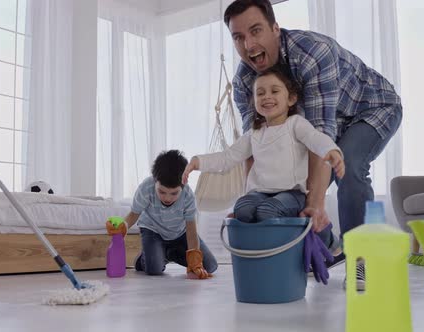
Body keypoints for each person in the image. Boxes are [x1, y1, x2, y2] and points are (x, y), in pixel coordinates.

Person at [223, 0, 402, 289]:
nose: (249, 44)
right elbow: (257, 146)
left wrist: (316, 203)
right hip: (325, 126)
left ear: (275, 29)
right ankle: (330, 245)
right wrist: (253, 199)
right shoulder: (245, 82)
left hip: (371, 108)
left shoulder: (313, 53)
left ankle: (362, 262)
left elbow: (322, 133)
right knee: (289, 192)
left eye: (256, 31)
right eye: (239, 37)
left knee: (351, 166)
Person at [182, 67, 344, 255]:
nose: (267, 96)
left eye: (274, 91)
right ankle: (261, 257)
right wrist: (198, 162)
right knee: (242, 209)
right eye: (260, 93)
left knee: (268, 212)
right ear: (254, 102)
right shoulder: (254, 134)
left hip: (292, 194)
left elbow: (315, 138)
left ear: (291, 99)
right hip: (261, 193)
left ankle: (326, 241)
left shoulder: (295, 124)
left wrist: (331, 150)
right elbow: (228, 157)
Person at [106, 150, 217, 279]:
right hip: (153, 231)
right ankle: (145, 259)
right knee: (154, 269)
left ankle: (168, 254)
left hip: (180, 234)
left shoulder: (188, 196)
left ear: (184, 183)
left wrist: (195, 261)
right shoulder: (146, 188)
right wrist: (122, 226)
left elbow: (191, 231)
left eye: (174, 193)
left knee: (209, 266)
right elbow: (133, 215)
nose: (167, 198)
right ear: (155, 181)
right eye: (162, 192)